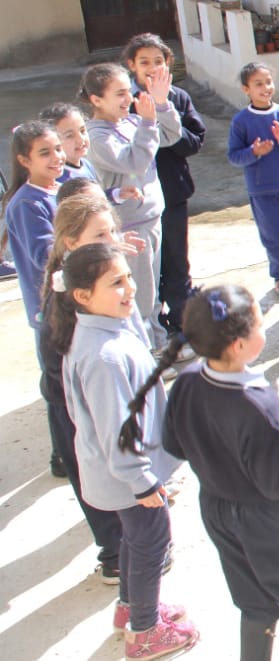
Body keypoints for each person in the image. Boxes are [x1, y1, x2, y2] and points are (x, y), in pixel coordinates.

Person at [163, 286, 279, 661]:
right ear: (239, 345)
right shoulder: (258, 403)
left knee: (255, 604)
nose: (263, 325)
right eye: (259, 321)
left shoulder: (187, 381)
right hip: (270, 521)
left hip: (217, 510)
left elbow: (175, 445)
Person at [54, 242, 197, 657]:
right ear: (83, 296)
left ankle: (131, 608)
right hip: (127, 478)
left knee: (136, 540)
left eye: (129, 276)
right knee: (152, 542)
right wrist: (142, 481)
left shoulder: (104, 330)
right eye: (116, 282)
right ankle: (145, 630)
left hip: (121, 473)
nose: (129, 287)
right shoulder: (104, 357)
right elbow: (117, 430)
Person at [39, 194, 128, 581]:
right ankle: (115, 556)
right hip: (75, 406)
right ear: (71, 242)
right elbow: (54, 363)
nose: (110, 240)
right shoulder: (68, 296)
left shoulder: (97, 278)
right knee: (95, 476)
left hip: (95, 399)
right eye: (99, 235)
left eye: (112, 231)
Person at [83, 63, 182, 348]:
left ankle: (158, 343)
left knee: (151, 293)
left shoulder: (130, 122)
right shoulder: (97, 136)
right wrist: (149, 123)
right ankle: (148, 350)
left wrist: (161, 105)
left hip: (151, 217)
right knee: (138, 295)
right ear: (96, 100)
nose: (128, 99)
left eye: (128, 91)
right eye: (119, 94)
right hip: (130, 226)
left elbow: (170, 135)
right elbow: (135, 162)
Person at [123, 34, 206, 339]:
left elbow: (194, 140)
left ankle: (182, 318)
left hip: (172, 192)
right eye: (144, 62)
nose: (152, 67)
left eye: (158, 61)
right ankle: (152, 323)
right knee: (146, 264)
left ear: (168, 63)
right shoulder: (123, 100)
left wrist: (164, 126)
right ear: (131, 65)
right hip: (137, 200)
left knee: (176, 259)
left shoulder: (178, 97)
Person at [4, 120, 68, 477]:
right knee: (58, 388)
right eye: (45, 153)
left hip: (72, 303)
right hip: (51, 310)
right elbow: (46, 257)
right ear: (24, 160)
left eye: (58, 149)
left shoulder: (59, 189)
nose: (57, 157)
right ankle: (62, 455)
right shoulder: (27, 203)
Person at [227, 62, 279, 302]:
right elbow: (234, 156)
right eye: (258, 84)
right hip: (262, 189)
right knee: (274, 234)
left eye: (268, 82)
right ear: (246, 89)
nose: (265, 88)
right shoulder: (241, 121)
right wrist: (254, 152)